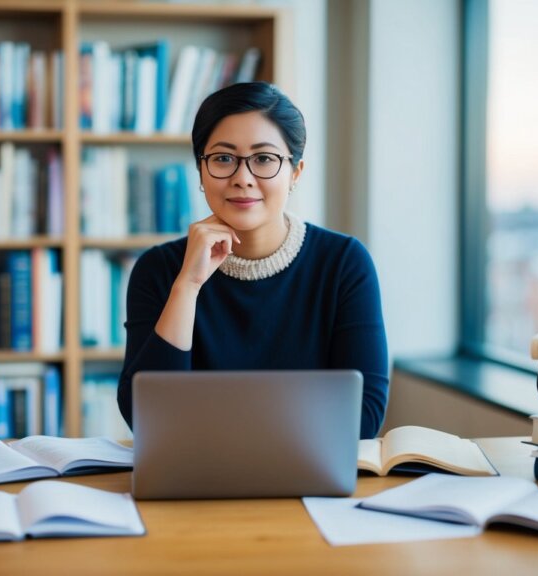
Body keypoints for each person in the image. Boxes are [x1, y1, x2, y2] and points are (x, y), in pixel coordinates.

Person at [117, 82, 388, 439]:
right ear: (200, 171)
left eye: (263, 159)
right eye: (223, 159)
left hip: (308, 481)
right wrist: (188, 286)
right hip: (195, 481)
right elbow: (145, 418)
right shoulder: (159, 269)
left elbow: (363, 419)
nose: (242, 179)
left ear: (295, 172)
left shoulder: (344, 264)